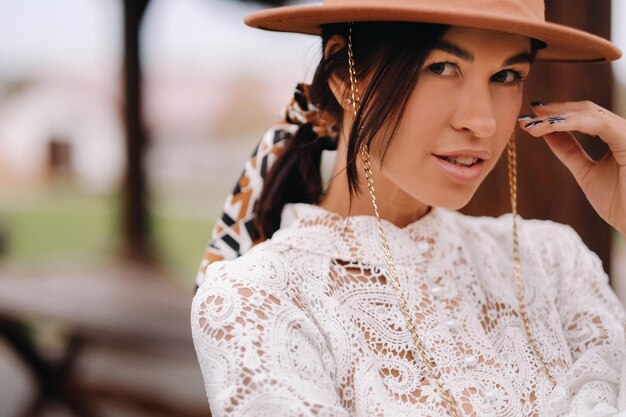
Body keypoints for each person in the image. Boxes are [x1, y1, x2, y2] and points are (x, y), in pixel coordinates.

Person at [191, 0, 626, 415]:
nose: (483, 122)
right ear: (346, 77)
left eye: (507, 75)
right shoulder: (260, 299)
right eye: (441, 67)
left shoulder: (552, 263)